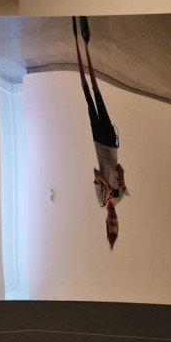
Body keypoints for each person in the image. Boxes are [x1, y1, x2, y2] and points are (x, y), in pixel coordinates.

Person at [72, 16, 129, 249]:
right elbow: (119, 166)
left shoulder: (102, 200)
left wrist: (106, 184)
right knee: (98, 93)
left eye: (110, 224)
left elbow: (96, 172)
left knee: (87, 96)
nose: (113, 221)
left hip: (99, 142)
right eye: (116, 224)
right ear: (118, 223)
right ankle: (86, 44)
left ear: (106, 223)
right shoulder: (121, 197)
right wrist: (121, 180)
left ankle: (76, 41)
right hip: (112, 144)